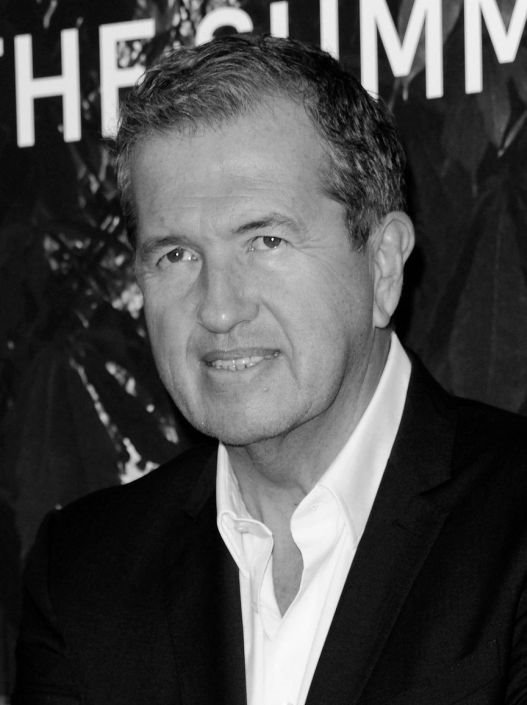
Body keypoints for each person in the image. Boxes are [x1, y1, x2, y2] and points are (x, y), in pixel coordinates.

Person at [13, 34, 527, 705]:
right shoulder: (83, 573)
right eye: (175, 255)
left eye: (265, 240)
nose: (219, 309)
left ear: (382, 266)